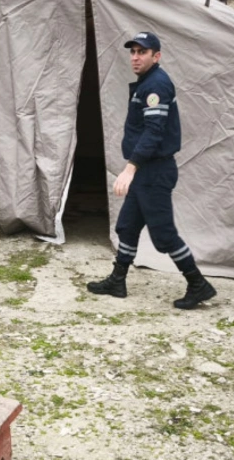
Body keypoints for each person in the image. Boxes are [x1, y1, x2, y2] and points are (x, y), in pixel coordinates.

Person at [87, 31, 217, 310]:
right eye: (132, 52)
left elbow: (154, 132)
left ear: (156, 56)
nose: (135, 57)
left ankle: (198, 284)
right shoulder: (147, 82)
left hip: (154, 172)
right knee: (127, 226)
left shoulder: (156, 85)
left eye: (142, 52)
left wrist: (130, 168)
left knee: (164, 234)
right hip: (146, 172)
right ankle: (117, 280)